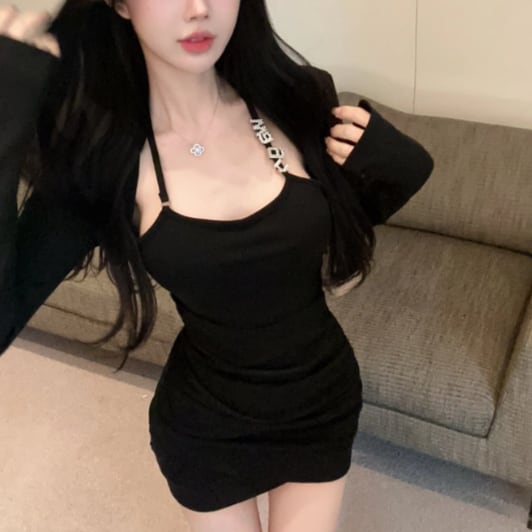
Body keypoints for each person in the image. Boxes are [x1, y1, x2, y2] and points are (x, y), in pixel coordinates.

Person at [0, 1, 435, 531]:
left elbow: (348, 218)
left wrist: (402, 164)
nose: (199, 8)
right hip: (208, 430)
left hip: (321, 403)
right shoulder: (105, 160)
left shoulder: (295, 97)